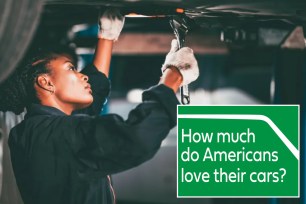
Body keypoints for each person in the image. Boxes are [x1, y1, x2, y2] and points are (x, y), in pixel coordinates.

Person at [0, 9, 199, 204]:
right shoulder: (53, 134)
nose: (83, 75)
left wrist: (107, 37)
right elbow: (137, 136)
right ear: (46, 82)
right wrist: (173, 76)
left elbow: (92, 93)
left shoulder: (40, 131)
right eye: (71, 68)